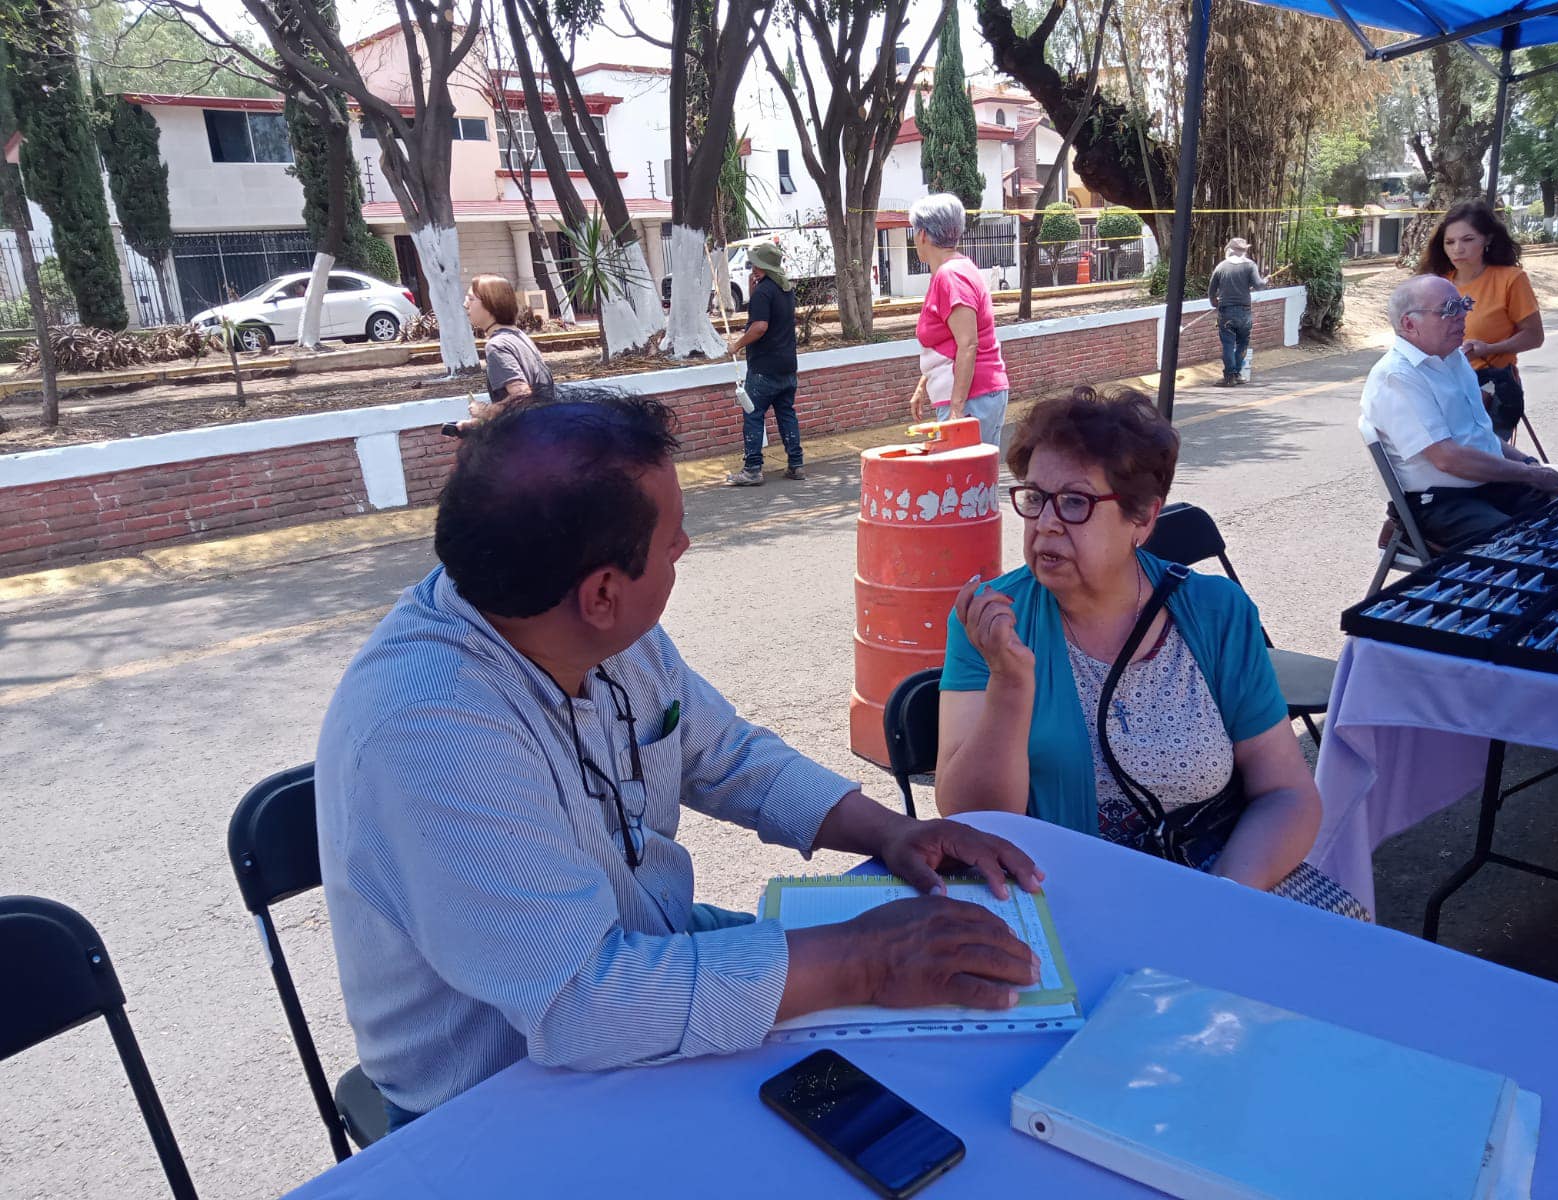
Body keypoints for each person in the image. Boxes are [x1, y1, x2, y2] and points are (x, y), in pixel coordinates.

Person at [316, 391, 1045, 1128]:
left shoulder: (583, 624)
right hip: (500, 1096)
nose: (686, 548)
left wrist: (890, 832)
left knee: (932, 1065)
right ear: (602, 592)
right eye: (673, 539)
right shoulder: (428, 731)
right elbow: (583, 1005)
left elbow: (722, 752)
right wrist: (864, 959)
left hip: (649, 954)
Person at [933, 386, 1365, 917]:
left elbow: (1287, 792)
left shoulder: (1214, 612)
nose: (1045, 522)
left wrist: (1222, 898)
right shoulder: (994, 624)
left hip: (1218, 879)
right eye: (1035, 498)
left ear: (1142, 518)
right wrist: (1011, 685)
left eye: (1075, 502)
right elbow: (973, 820)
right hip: (1065, 897)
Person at [1360, 275, 1558, 549]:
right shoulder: (1397, 376)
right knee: (1518, 547)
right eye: (1448, 310)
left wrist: (1530, 465)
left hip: (1482, 484)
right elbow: (1448, 459)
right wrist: (1529, 474)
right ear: (1409, 324)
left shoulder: (1453, 357)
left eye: (1463, 305)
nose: (1462, 316)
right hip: (1440, 500)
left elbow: (1480, 436)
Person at [1417, 199, 1544, 440]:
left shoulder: (1511, 279)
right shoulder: (1437, 283)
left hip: (1491, 388)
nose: (1458, 249)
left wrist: (1490, 348)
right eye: (1450, 242)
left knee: (1485, 462)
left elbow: (1534, 336)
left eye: (1468, 240)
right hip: (1442, 387)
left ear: (1487, 239)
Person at [907, 193, 1011, 446]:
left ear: (922, 235)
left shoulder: (951, 275)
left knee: (965, 482)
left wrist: (956, 411)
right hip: (973, 396)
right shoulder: (954, 270)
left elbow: (968, 344)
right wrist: (924, 384)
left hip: (974, 398)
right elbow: (948, 343)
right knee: (967, 480)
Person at [725, 241, 805, 486]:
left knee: (753, 414)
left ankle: (752, 469)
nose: (753, 268)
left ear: (767, 267)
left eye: (757, 265)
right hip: (787, 364)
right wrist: (751, 294)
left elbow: (760, 326)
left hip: (764, 368)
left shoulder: (763, 292)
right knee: (786, 413)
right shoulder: (785, 288)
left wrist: (736, 345)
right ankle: (796, 464)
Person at [460, 272, 553, 427]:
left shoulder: (497, 345)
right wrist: (476, 424)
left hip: (527, 442)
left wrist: (485, 411)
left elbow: (522, 397)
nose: (465, 304)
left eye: (471, 299)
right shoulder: (519, 337)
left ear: (491, 303)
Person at [1207, 237, 1268, 387]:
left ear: (1229, 250)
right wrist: (1266, 280)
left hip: (1226, 312)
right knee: (1242, 343)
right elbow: (1259, 285)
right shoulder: (1250, 265)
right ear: (1244, 251)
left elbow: (1211, 290)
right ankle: (1237, 374)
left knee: (1228, 344)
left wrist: (1214, 302)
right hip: (1244, 312)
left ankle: (1229, 377)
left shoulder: (1221, 267)